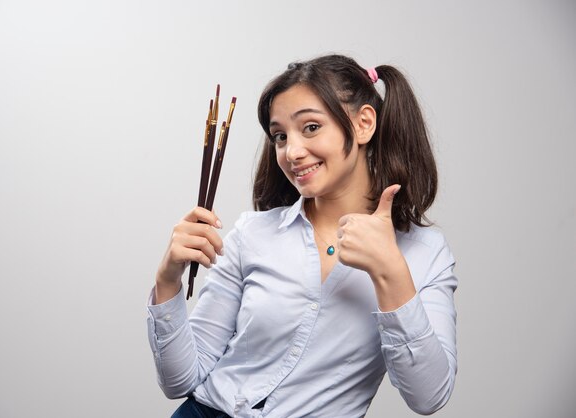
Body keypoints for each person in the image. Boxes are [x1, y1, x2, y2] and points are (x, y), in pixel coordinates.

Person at [147, 54, 457, 418]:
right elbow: (180, 380)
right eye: (280, 136)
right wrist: (167, 280)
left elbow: (429, 397)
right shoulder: (253, 233)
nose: (292, 152)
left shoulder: (425, 254)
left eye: (310, 127)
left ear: (363, 124)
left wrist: (390, 270)